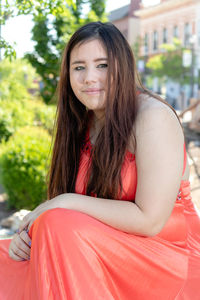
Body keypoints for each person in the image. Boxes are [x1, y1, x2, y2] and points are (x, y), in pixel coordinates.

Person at [0, 21, 200, 300]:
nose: (89, 78)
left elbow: (150, 220)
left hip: (165, 257)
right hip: (99, 250)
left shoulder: (153, 117)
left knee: (56, 223)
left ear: (123, 67)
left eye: (102, 65)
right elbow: (69, 219)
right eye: (79, 67)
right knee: (9, 259)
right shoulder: (83, 122)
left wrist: (61, 202)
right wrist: (29, 237)